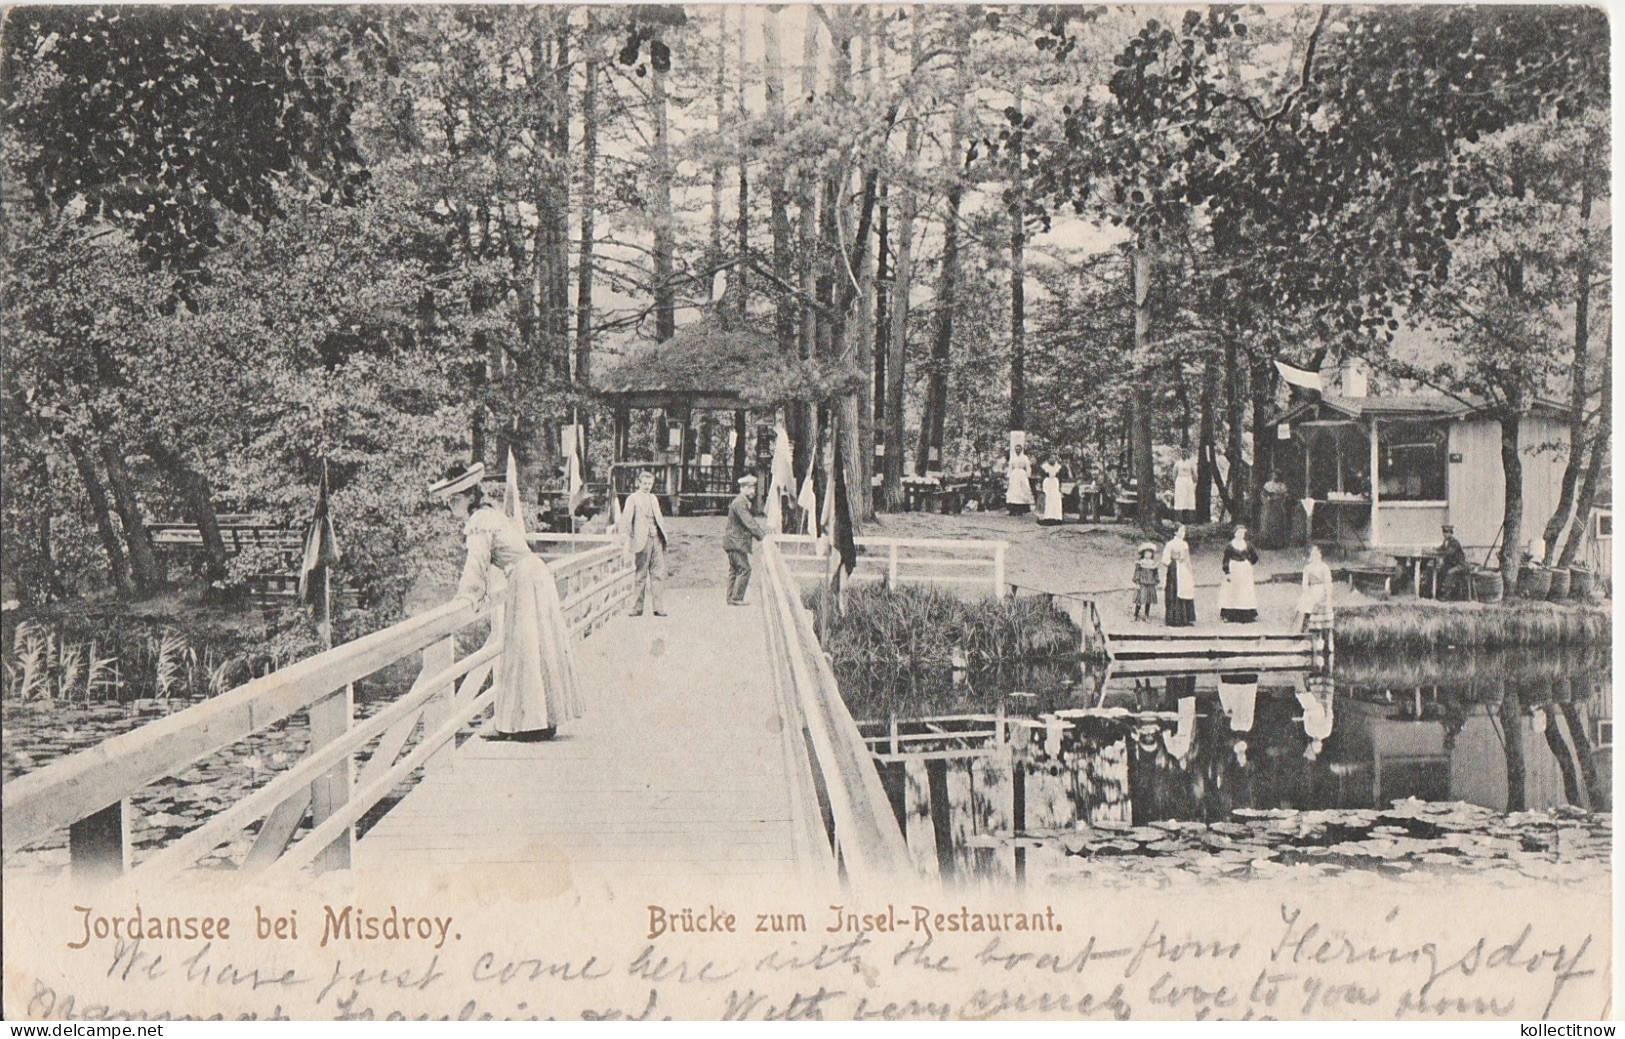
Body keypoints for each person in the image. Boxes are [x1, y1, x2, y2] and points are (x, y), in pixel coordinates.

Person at [433, 461, 580, 742]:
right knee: (536, 646)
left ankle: (528, 724)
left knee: (525, 647)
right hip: (533, 574)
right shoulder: (491, 514)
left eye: (454, 499)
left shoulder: (479, 521)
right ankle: (539, 721)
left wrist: (468, 595)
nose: (450, 505)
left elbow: (476, 564)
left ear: (468, 497)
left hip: (525, 579)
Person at [621, 469, 668, 617]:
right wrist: (628, 536)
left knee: (658, 574)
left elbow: (658, 518)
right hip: (642, 540)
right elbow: (626, 520)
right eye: (645, 483)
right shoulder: (632, 498)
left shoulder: (654, 498)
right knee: (641, 574)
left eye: (650, 483)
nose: (647, 486)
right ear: (639, 483)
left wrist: (659, 532)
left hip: (656, 539)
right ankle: (637, 608)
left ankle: (658, 607)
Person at [725, 474, 767, 605]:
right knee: (745, 569)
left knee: (734, 570)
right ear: (742, 488)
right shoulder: (740, 503)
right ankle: (736, 598)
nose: (753, 491)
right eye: (749, 488)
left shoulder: (740, 501)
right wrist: (762, 536)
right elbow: (749, 522)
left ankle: (731, 598)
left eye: (753, 488)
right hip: (736, 542)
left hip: (733, 542)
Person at [1218, 525, 1260, 623]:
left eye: (1242, 533)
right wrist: (1227, 572)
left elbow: (1254, 557)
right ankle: (1229, 614)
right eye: (1238, 532)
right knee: (1231, 591)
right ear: (1235, 533)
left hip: (1244, 570)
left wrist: (1248, 563)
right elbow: (1226, 560)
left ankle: (1246, 614)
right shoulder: (1230, 545)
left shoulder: (1248, 545)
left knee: (1244, 591)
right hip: (1234, 569)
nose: (1240, 535)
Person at [1161, 525, 1196, 626]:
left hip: (1184, 569)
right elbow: (1165, 559)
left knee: (1185, 590)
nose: (1183, 532)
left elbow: (1187, 558)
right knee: (1174, 591)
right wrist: (1173, 563)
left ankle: (1185, 618)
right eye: (1181, 530)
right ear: (1175, 532)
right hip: (1174, 570)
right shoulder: (1170, 544)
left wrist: (1189, 570)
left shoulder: (1185, 544)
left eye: (1184, 530)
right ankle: (1174, 619)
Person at [1294, 544, 1335, 631]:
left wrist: (1327, 595)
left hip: (1322, 592)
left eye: (1317, 553)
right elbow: (1305, 584)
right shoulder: (1307, 568)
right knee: (1307, 608)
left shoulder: (1325, 567)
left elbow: (1328, 583)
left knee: (1324, 614)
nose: (1315, 556)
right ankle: (1304, 632)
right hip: (1311, 591)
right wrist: (1309, 594)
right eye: (1313, 554)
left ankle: (1323, 634)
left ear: (1321, 554)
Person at [1434, 524, 1468, 600]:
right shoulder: (1446, 542)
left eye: (1447, 532)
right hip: (1451, 564)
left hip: (1460, 565)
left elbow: (1449, 552)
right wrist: (1434, 549)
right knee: (1440, 571)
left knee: (1450, 572)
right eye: (1444, 532)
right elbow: (1440, 549)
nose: (1445, 534)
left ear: (1451, 533)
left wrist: (1439, 553)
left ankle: (1447, 595)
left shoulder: (1455, 542)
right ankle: (1438, 592)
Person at [1132, 542, 1159, 621]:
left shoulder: (1153, 563)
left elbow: (1155, 573)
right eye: (1146, 553)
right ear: (1143, 554)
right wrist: (1137, 582)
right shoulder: (1140, 563)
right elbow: (1137, 573)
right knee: (1140, 600)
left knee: (1148, 600)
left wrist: (1156, 581)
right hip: (1142, 583)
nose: (1148, 555)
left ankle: (1146, 615)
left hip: (1150, 584)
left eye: (1150, 553)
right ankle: (1136, 614)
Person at [1005, 444, 1034, 515]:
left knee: (1022, 490)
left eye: (1019, 449)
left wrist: (1028, 475)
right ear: (1014, 450)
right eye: (1016, 449)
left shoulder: (1025, 457)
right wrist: (1009, 476)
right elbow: (1010, 467)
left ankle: (1022, 509)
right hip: (1014, 474)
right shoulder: (1012, 457)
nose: (1018, 450)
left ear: (1021, 450)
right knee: (1014, 490)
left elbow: (1028, 467)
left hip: (1022, 474)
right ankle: (1013, 509)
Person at [1172, 454, 1197, 524]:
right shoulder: (1178, 463)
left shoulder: (1190, 463)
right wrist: (1176, 482)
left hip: (1188, 480)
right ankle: (1180, 519)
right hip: (1180, 480)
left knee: (1188, 498)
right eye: (1182, 452)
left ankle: (1188, 519)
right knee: (1180, 498)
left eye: (1185, 452)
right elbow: (1174, 474)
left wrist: (1194, 482)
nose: (1183, 454)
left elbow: (1194, 473)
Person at [1038, 459, 1064, 525]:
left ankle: (1056, 517)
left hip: (1055, 483)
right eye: (1050, 457)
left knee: (1055, 499)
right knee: (1047, 499)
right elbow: (1041, 477)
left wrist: (1060, 487)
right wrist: (1040, 486)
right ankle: (1047, 517)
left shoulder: (1058, 467)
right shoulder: (1044, 467)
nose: (1052, 459)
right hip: (1047, 483)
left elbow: (1060, 478)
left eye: (1054, 457)